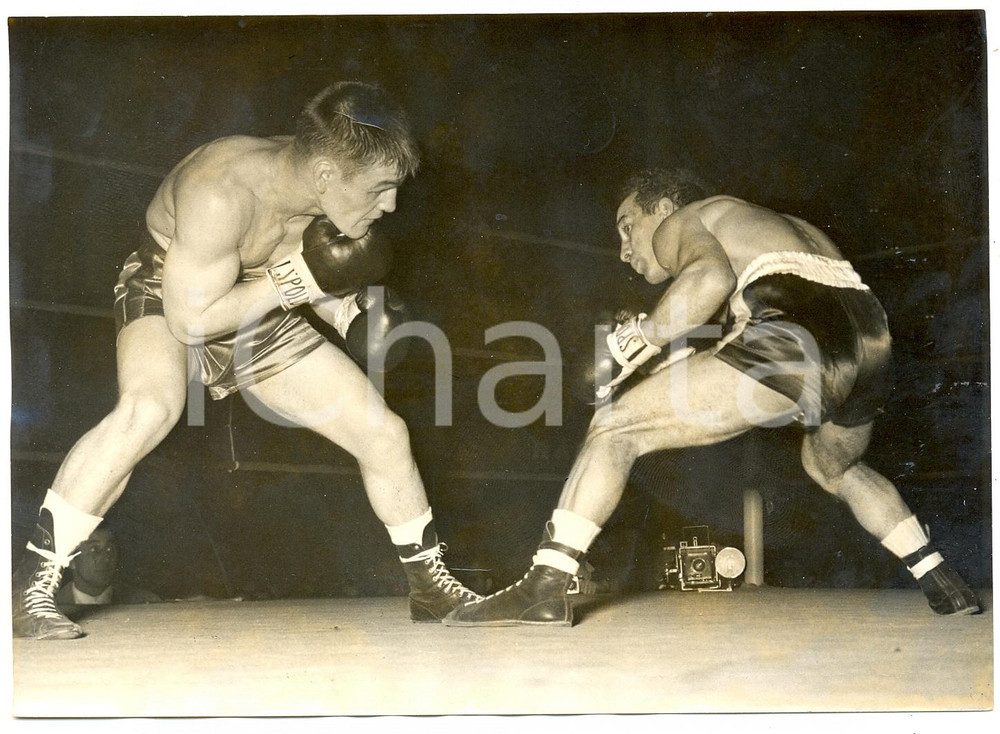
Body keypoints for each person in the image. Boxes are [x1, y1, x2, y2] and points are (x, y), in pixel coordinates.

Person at [12, 81, 480, 640]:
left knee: (382, 430)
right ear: (329, 175)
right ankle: (33, 582)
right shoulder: (221, 192)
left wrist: (349, 312)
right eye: (381, 189)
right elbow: (192, 319)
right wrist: (302, 281)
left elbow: (306, 265)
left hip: (254, 292)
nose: (391, 205)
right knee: (148, 409)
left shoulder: (315, 181)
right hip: (172, 288)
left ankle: (430, 585)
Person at [444, 167, 981, 626]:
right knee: (833, 466)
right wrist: (657, 357)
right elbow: (744, 341)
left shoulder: (688, 218)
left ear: (664, 206)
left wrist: (629, 346)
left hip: (793, 328)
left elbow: (707, 280)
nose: (625, 249)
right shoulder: (780, 231)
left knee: (614, 428)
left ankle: (544, 587)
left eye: (628, 225)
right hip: (869, 338)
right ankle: (938, 575)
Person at [54, 528, 161, 606]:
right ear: (71, 561)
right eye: (93, 550)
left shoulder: (148, 603)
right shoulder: (52, 607)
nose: (105, 558)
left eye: (109, 549)